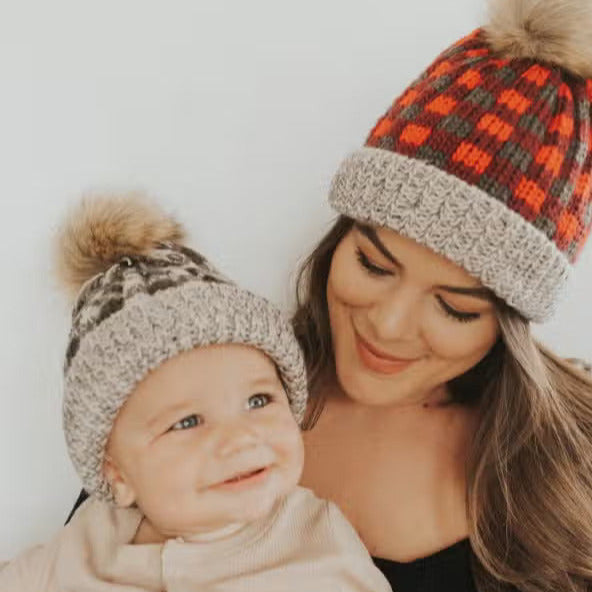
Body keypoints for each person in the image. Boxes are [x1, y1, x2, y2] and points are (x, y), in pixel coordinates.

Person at [294, 0, 592, 591]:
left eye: (455, 307)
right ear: (338, 242)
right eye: (373, 265)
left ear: (508, 322)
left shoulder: (577, 456)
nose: (390, 324)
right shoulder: (212, 381)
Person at [0, 196, 390, 591]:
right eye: (186, 422)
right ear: (115, 474)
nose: (240, 438)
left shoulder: (315, 540)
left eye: (259, 401)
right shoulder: (84, 542)